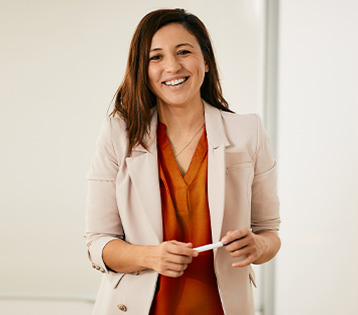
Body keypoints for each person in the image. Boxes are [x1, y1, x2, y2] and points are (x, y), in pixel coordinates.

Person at [84, 8, 281, 315]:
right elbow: (97, 244)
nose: (172, 66)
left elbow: (269, 232)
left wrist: (258, 245)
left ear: (205, 60)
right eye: (156, 57)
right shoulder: (117, 134)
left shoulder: (248, 131)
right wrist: (151, 257)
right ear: (142, 69)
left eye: (184, 52)